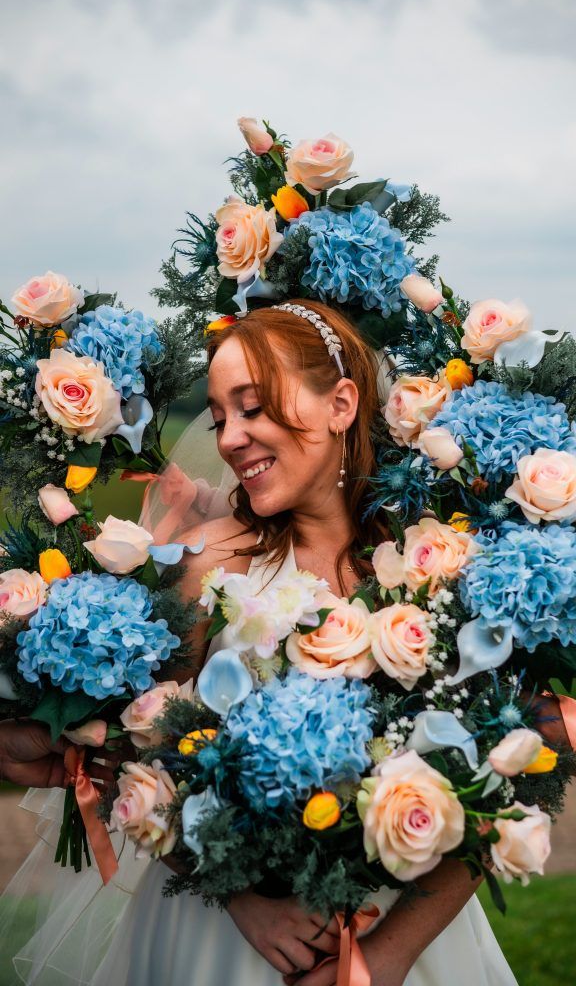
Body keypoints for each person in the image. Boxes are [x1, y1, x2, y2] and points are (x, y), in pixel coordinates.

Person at [3, 300, 566, 984]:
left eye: (253, 407)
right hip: (228, 938)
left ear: (341, 404)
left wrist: (389, 956)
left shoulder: (436, 559)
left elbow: (508, 770)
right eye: (220, 418)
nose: (232, 438)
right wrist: (244, 901)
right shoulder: (206, 565)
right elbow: (134, 755)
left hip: (405, 932)